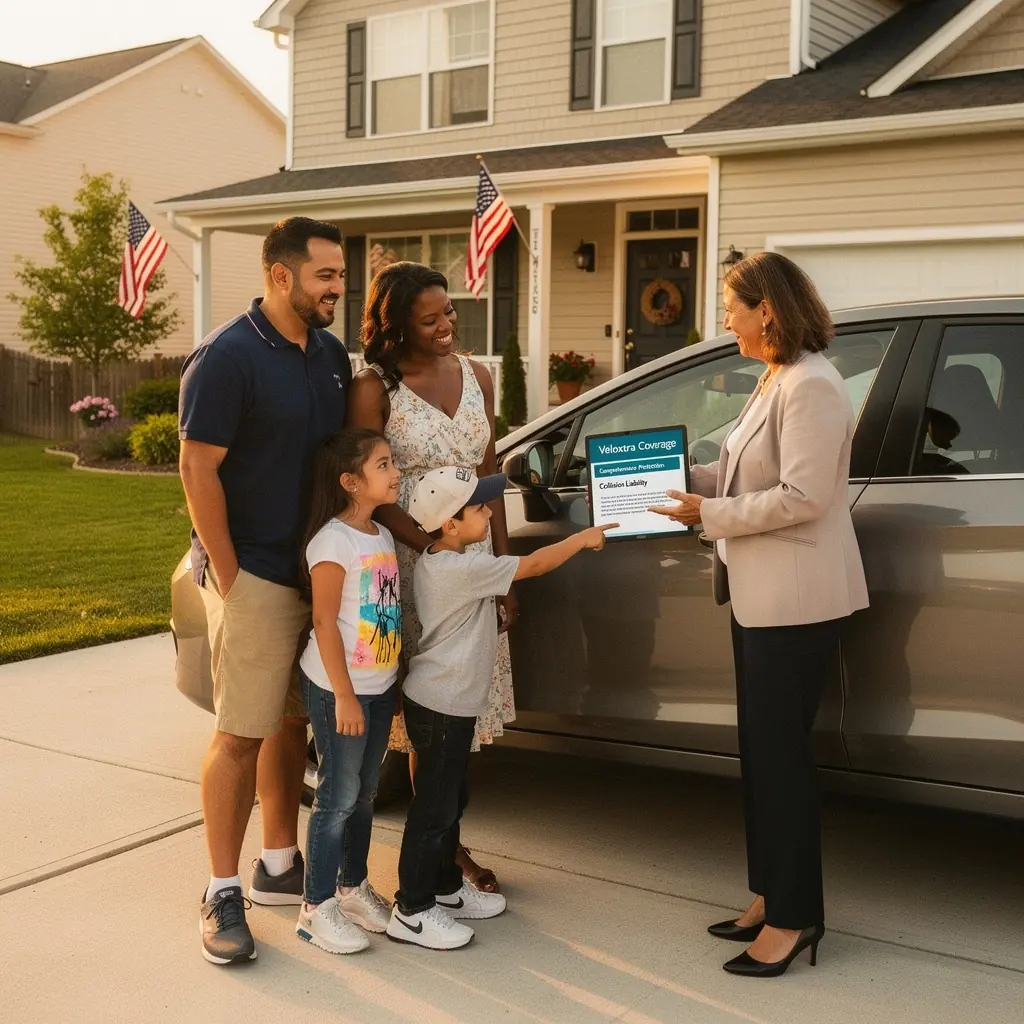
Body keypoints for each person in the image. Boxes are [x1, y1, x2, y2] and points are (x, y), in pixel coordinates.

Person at [650, 251, 868, 978]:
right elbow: (741, 473)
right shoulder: (776, 377)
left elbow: (804, 496)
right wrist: (665, 480)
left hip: (796, 602)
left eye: (731, 309)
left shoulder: (812, 385)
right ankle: (770, 893)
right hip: (761, 596)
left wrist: (709, 513)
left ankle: (795, 918)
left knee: (781, 762)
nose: (726, 322)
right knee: (762, 756)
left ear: (766, 310)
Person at [179, 217, 351, 966]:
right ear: (281, 276)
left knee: (291, 724)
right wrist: (231, 572)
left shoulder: (331, 355)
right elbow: (197, 469)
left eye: (341, 276)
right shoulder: (227, 356)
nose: (338, 288)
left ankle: (279, 864)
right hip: (254, 571)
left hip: (315, 572)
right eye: (325, 276)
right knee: (241, 734)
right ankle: (221, 891)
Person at [384, 466, 616, 950]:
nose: (489, 514)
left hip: (445, 701)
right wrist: (582, 538)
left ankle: (445, 888)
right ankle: (412, 910)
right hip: (442, 705)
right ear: (450, 524)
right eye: (478, 508)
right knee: (433, 810)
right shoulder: (461, 569)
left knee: (450, 801)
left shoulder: (442, 558)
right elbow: (533, 565)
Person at [345, 261, 514, 891]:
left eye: (449, 312)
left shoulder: (477, 374)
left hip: (474, 557)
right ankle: (438, 856)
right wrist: (429, 544)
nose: (446, 326)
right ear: (396, 327)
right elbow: (367, 486)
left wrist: (504, 571)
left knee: (460, 711)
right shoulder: (375, 389)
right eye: (429, 319)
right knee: (427, 717)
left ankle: (445, 844)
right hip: (410, 563)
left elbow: (489, 475)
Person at [294, 428, 402, 955]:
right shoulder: (332, 541)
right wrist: (343, 695)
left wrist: (389, 683)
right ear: (350, 481)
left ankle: (351, 887)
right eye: (383, 465)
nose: (395, 472)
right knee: (336, 797)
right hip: (340, 690)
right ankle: (315, 908)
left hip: (377, 687)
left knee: (365, 793)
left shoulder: (380, 535)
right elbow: (324, 622)